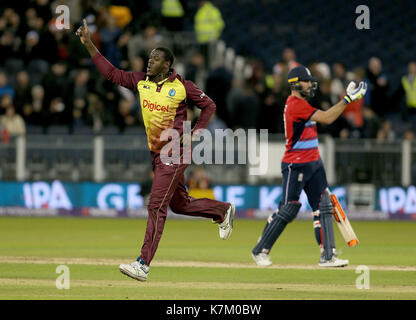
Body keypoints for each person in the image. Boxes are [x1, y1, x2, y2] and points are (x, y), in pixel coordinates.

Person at [76, 19, 235, 282]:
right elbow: (112, 73)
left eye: (156, 58)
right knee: (179, 204)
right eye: (150, 57)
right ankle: (221, 210)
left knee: (156, 205)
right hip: (156, 154)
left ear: (167, 65)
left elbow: (209, 106)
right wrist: (89, 44)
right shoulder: (141, 82)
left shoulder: (183, 86)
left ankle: (143, 264)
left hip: (175, 151)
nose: (150, 61)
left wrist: (197, 131)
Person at [251, 65, 367, 267]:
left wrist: (344, 99)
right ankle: (260, 250)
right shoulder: (295, 104)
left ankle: (328, 255)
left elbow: (327, 114)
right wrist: (348, 100)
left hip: (314, 162)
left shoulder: (303, 103)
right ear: (295, 84)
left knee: (324, 206)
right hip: (295, 164)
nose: (310, 84)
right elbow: (328, 118)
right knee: (288, 209)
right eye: (307, 81)